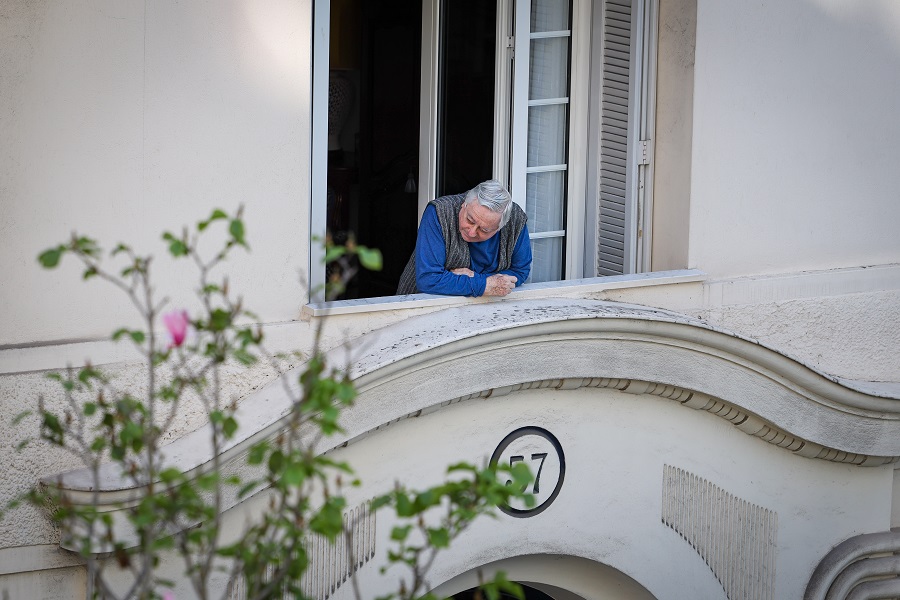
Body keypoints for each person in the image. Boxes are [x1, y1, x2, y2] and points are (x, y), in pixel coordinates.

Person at [397, 179, 531, 296]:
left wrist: (477, 279)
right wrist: (484, 285)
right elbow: (428, 279)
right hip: (419, 305)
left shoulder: (515, 220)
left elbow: (520, 271)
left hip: (487, 311)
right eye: (470, 220)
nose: (472, 232)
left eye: (484, 230)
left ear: (499, 228)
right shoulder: (439, 212)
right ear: (464, 205)